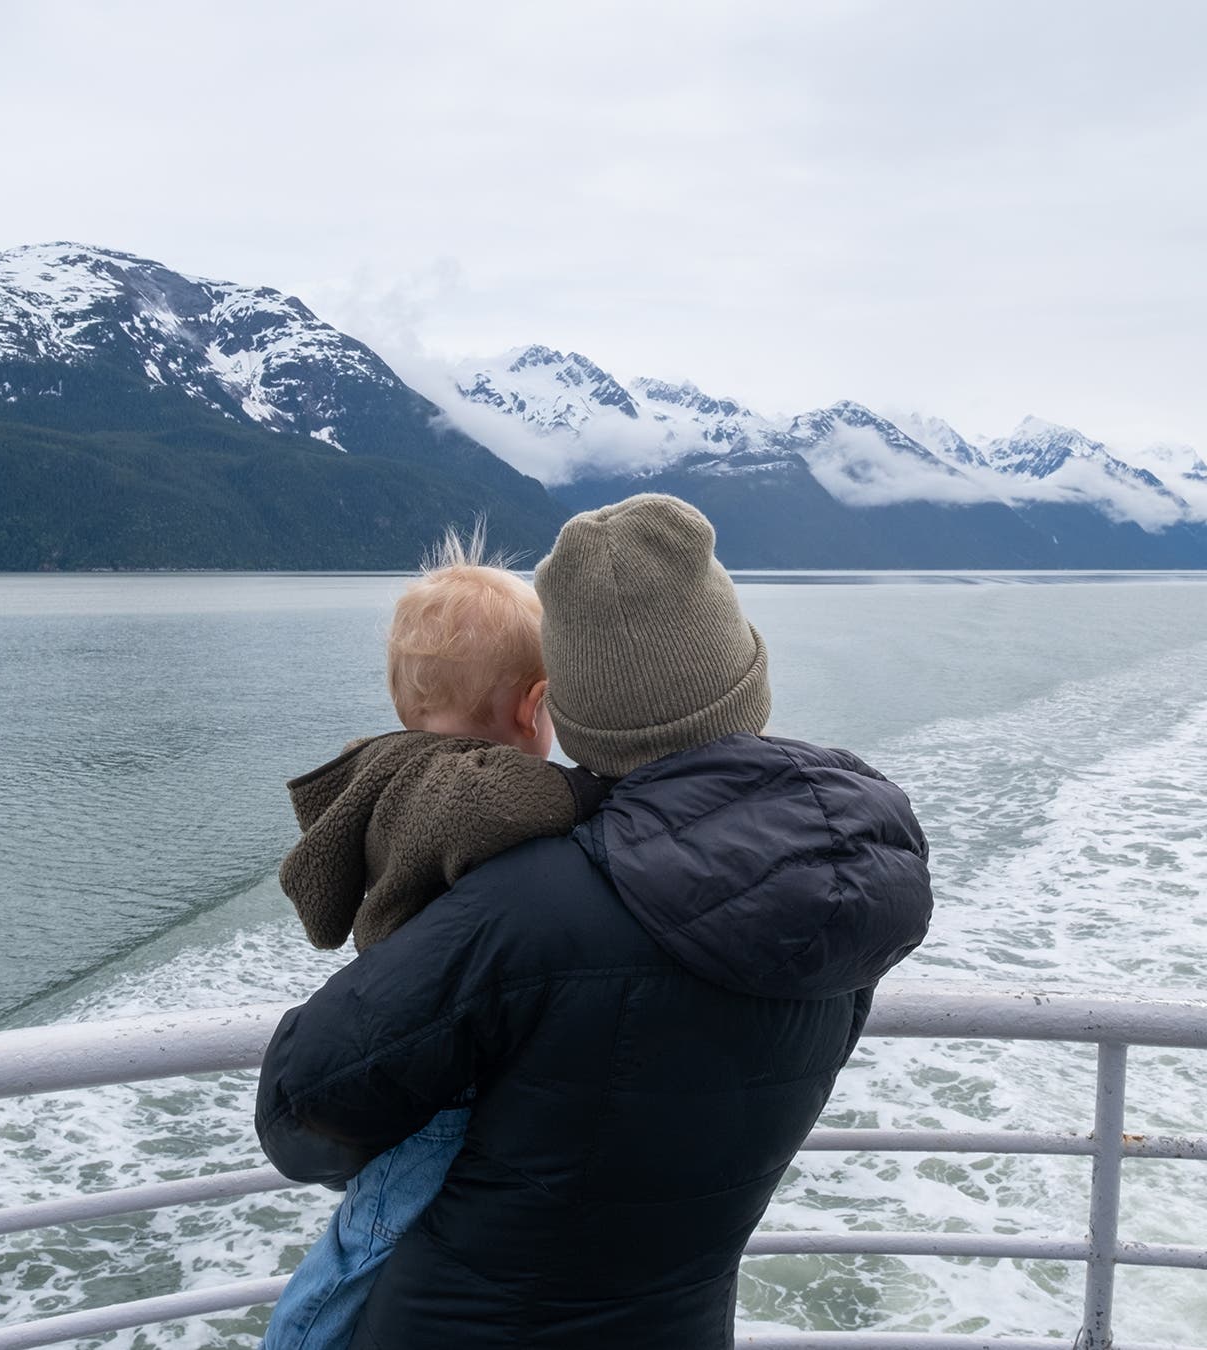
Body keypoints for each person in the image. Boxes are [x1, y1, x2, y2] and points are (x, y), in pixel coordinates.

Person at [256, 493, 934, 1349]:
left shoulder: (529, 904)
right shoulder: (849, 878)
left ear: (566, 707)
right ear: (744, 678)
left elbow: (300, 1111)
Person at [261, 527, 607, 1350]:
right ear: (532, 706)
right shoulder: (461, 789)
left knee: (378, 1231)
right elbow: (517, 805)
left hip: (415, 1037)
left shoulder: (397, 770)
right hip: (440, 1076)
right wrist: (609, 791)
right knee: (368, 1241)